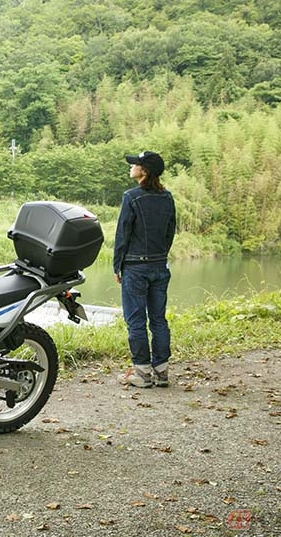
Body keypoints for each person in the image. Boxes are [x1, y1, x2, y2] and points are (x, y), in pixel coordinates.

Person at [113, 151, 176, 388]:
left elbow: (123, 234)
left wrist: (117, 265)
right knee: (158, 319)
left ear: (144, 171)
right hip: (159, 266)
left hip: (135, 267)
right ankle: (161, 372)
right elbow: (170, 231)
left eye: (135, 164)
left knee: (136, 321)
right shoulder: (167, 197)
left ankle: (141, 373)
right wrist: (160, 256)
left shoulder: (131, 197)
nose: (131, 167)